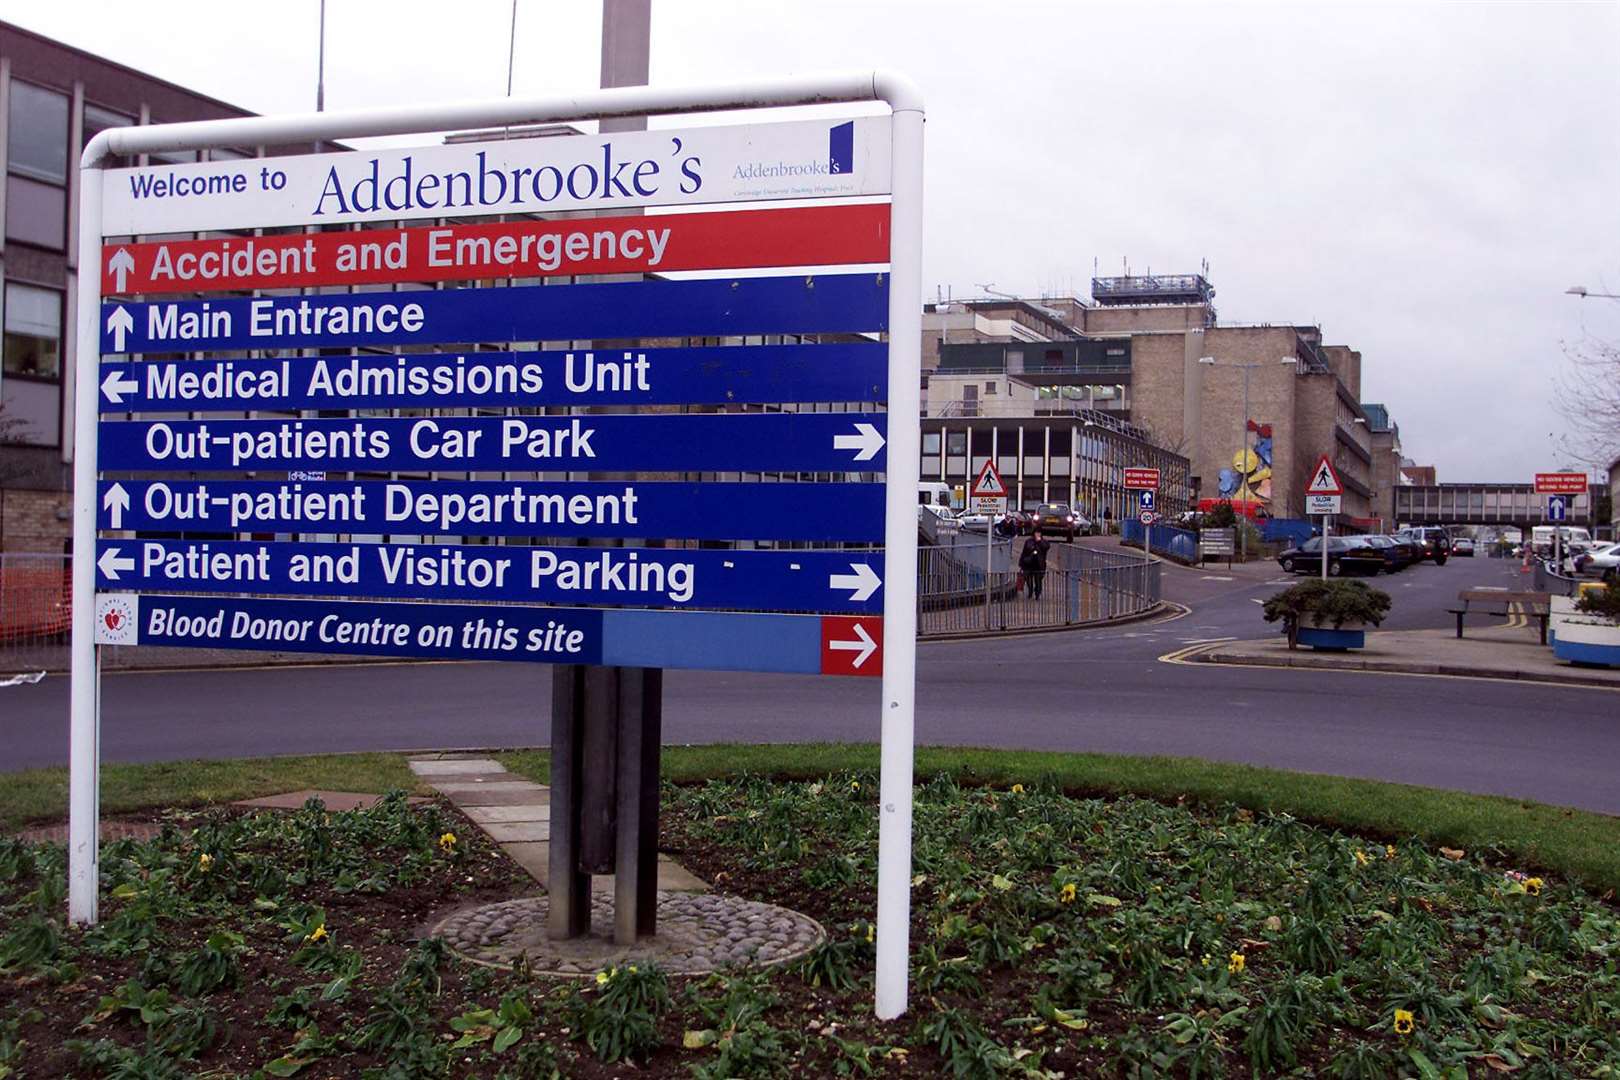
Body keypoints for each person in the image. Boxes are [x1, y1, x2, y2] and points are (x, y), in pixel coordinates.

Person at [1020, 528, 1051, 599]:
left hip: (1039, 564)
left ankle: (1037, 593)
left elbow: (1046, 547)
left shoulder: (1044, 542)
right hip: (1028, 564)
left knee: (1038, 580)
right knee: (1028, 579)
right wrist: (1021, 563)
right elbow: (1024, 552)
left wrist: (1040, 542)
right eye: (1036, 533)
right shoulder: (1028, 541)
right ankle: (1030, 591)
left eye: (1039, 533)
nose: (1037, 534)